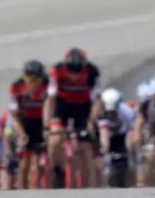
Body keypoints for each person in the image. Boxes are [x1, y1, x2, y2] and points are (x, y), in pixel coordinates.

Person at [43, 47, 102, 189]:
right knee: (55, 139)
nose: (74, 76)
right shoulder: (56, 71)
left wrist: (91, 120)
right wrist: (46, 126)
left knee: (85, 148)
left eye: (77, 72)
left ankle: (87, 188)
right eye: (71, 71)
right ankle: (57, 170)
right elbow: (50, 100)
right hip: (62, 105)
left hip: (83, 107)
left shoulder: (92, 72)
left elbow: (98, 101)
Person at [8, 60, 49, 189]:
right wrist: (21, 134)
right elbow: (14, 115)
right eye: (30, 81)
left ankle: (41, 187)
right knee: (24, 163)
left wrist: (47, 128)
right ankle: (22, 189)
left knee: (37, 162)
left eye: (36, 81)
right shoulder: (16, 87)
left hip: (42, 121)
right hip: (25, 122)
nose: (33, 85)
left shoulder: (47, 85)